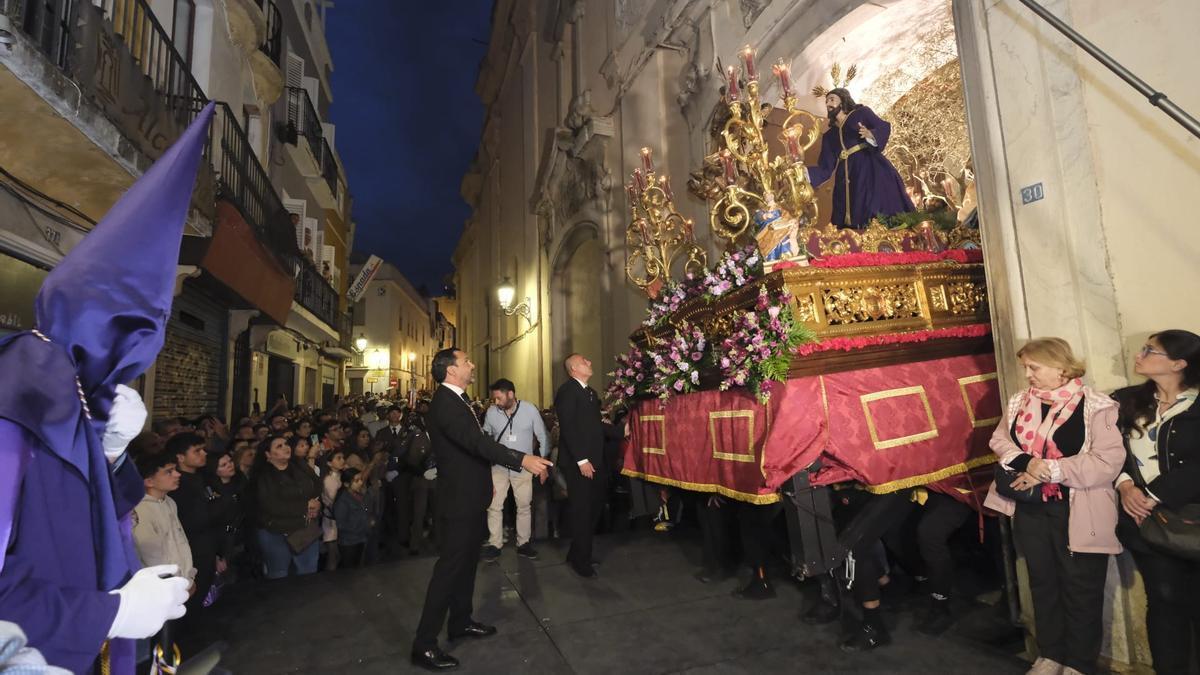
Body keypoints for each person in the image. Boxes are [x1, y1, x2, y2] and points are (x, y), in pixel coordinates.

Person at [983, 337, 1125, 675]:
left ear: (1061, 367)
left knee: (1080, 588)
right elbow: (1000, 440)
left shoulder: (1096, 405)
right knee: (1042, 581)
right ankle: (1050, 655)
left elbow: (1107, 461)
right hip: (1031, 509)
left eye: (1034, 367)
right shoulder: (1020, 401)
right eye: (1026, 368)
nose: (1028, 374)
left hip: (1077, 509)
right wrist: (1028, 462)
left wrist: (1050, 471)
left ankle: (1077, 662)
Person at [410, 348, 551, 671]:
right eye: (466, 362)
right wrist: (521, 458)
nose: (472, 365)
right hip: (459, 501)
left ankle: (460, 621)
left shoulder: (458, 400)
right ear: (450, 371)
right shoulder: (446, 404)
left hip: (471, 497)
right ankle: (425, 643)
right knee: (449, 570)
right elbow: (477, 443)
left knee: (467, 565)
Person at [1112, 330, 1200, 675]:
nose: (1139, 354)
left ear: (1179, 363)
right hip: (1142, 521)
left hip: (1190, 516)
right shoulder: (1126, 400)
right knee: (1163, 599)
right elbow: (1108, 450)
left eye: (1151, 350)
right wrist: (1124, 485)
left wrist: (1151, 495)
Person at [554, 354, 627, 579]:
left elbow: (595, 426)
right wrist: (581, 460)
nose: (591, 362)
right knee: (583, 511)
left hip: (595, 462)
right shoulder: (568, 391)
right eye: (586, 361)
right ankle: (581, 562)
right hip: (579, 463)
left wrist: (620, 432)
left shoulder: (590, 393)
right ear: (574, 368)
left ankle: (577, 552)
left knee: (595, 508)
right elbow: (568, 428)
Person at [806, 88, 914, 228]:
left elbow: (883, 126)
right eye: (826, 101)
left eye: (832, 99)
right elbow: (825, 167)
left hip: (869, 167)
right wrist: (804, 173)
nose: (828, 103)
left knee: (873, 203)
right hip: (845, 177)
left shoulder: (861, 114)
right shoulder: (829, 135)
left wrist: (871, 135)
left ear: (843, 100)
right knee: (850, 208)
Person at [482, 378, 550, 562]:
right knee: (494, 506)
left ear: (510, 394)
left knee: (524, 506)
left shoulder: (529, 410)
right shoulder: (491, 412)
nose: (496, 402)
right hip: (499, 466)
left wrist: (542, 465)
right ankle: (495, 544)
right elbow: (486, 437)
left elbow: (542, 436)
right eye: (494, 399)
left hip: (524, 467)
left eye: (498, 398)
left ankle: (523, 543)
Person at [249, 435, 322, 579]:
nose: (286, 447)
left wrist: (316, 503)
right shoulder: (262, 476)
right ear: (268, 455)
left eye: (286, 444)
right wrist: (304, 506)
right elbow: (270, 505)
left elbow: (317, 485)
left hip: (304, 528)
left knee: (308, 572)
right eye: (279, 446)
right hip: (276, 531)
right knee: (279, 574)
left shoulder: (300, 466)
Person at [168, 432, 221, 620]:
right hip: (192, 552)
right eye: (197, 451)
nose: (204, 454)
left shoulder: (201, 478)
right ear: (180, 457)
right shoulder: (178, 486)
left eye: (203, 449)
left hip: (207, 548)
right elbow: (194, 519)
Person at [333, 468, 372, 569]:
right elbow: (341, 524)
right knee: (349, 571)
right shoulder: (343, 500)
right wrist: (360, 527)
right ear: (346, 484)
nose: (360, 482)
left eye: (361, 479)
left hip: (360, 538)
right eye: (356, 480)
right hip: (349, 542)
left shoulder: (359, 495)